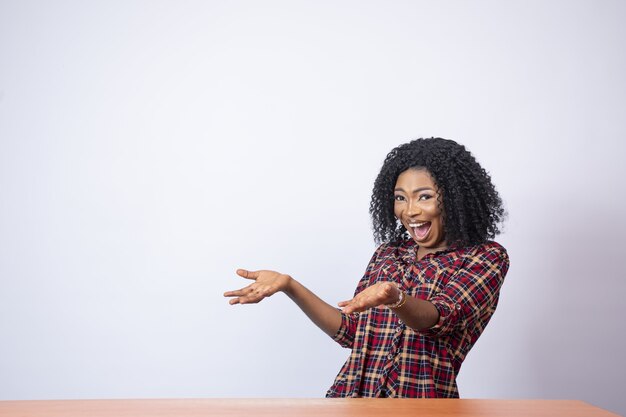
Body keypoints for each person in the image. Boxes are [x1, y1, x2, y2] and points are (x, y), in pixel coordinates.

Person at [224, 137, 509, 398]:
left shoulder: (484, 258)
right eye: (400, 197)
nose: (409, 211)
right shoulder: (388, 254)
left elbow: (440, 318)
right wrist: (290, 285)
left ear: (455, 197)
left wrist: (395, 298)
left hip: (422, 407)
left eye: (424, 196)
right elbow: (352, 331)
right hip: (350, 403)